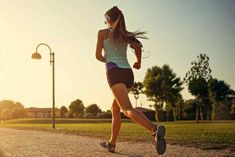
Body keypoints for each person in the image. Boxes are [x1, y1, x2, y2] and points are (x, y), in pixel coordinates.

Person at [95, 6, 166, 155]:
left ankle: (154, 130)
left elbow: (98, 55)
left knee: (127, 110)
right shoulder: (125, 35)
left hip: (114, 73)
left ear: (108, 20)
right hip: (128, 74)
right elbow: (138, 47)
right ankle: (111, 144)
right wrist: (138, 62)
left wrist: (108, 60)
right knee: (115, 108)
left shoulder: (102, 33)